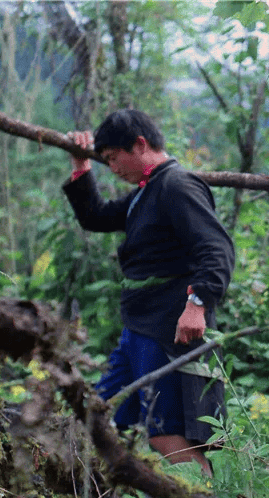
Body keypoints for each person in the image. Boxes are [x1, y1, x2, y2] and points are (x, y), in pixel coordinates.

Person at [64, 109, 235, 477]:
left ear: (140, 145)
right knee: (102, 411)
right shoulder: (147, 191)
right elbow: (96, 216)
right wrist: (81, 164)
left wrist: (197, 304)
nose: (111, 168)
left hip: (167, 325)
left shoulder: (177, 185)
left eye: (113, 158)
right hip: (140, 326)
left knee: (165, 431)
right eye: (105, 160)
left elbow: (216, 250)